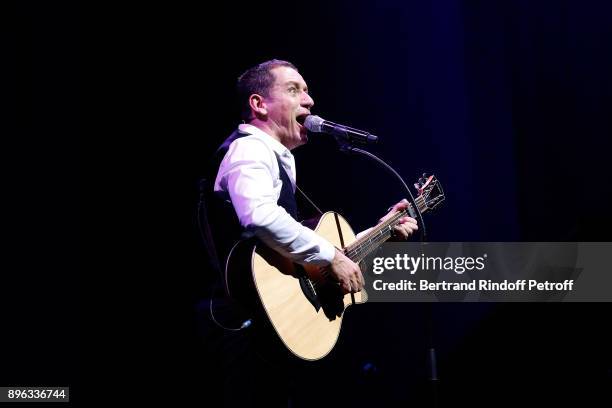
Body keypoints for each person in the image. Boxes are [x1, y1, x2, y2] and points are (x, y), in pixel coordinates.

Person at [199, 59, 418, 407]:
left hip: (265, 334)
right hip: (238, 331)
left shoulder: (277, 158)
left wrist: (381, 231)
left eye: (307, 90)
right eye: (293, 89)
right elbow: (258, 216)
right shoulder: (251, 148)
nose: (310, 100)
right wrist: (331, 256)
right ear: (259, 105)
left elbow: (296, 256)